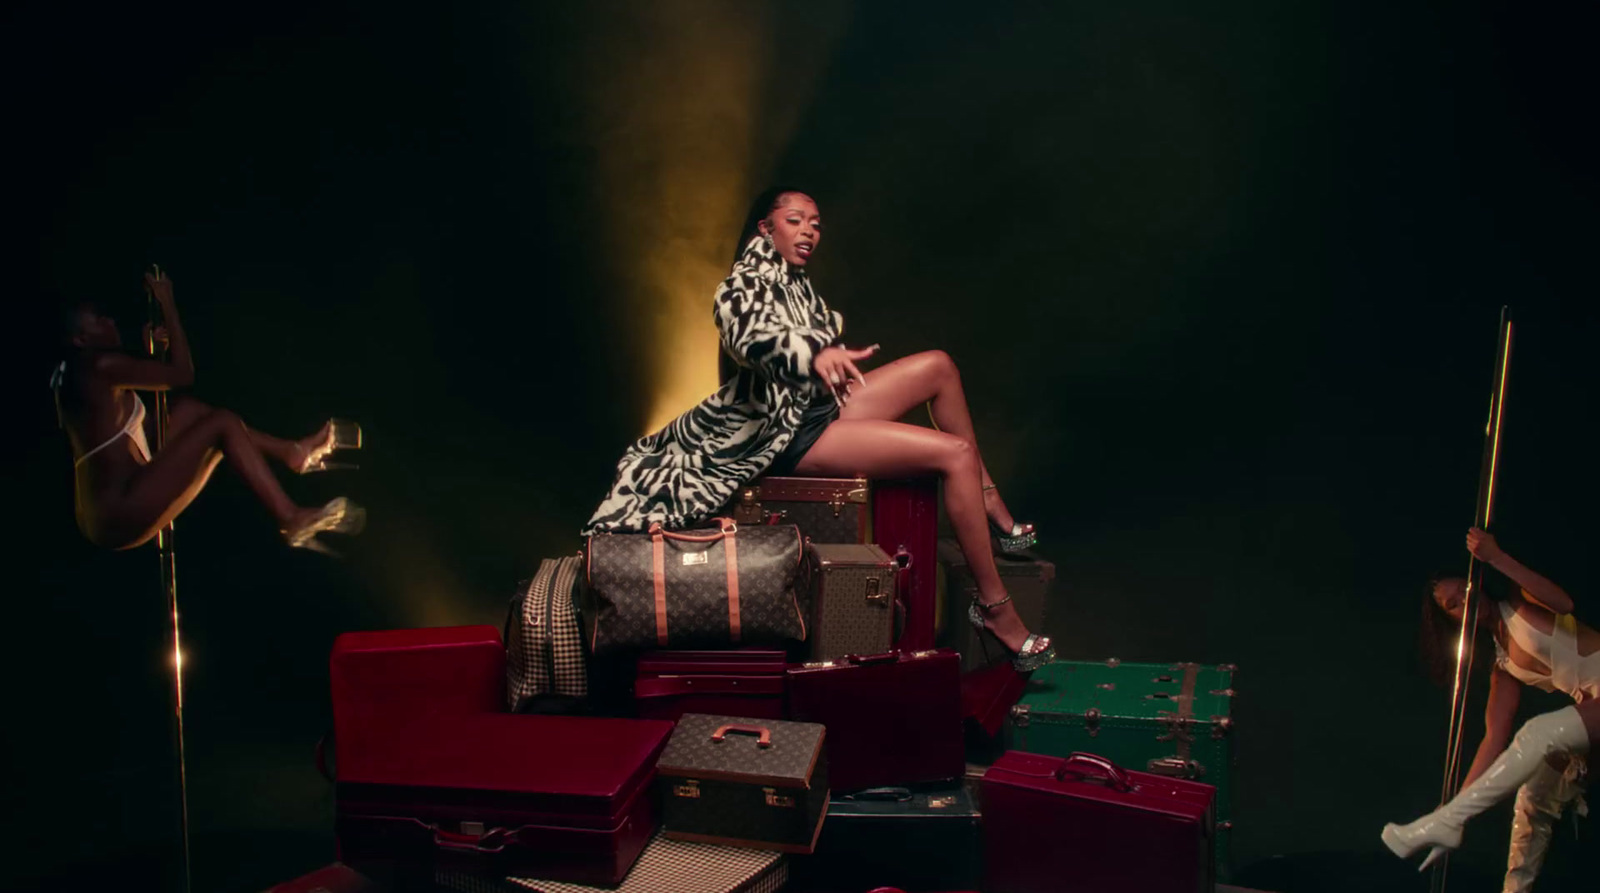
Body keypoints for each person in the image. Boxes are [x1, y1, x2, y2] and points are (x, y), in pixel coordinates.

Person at [584, 188, 1052, 670]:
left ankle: (987, 495)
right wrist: (813, 354)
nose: (809, 230)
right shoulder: (742, 285)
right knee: (955, 453)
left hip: (820, 408)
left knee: (939, 366)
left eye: (815, 222)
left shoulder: (794, 282)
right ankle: (995, 610)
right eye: (794, 220)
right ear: (765, 229)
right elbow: (754, 338)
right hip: (789, 435)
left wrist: (826, 362)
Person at [51, 270, 366, 555]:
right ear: (81, 339)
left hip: (121, 493)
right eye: (98, 320)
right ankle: (290, 517)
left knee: (188, 411)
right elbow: (183, 374)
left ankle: (290, 451)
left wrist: (154, 353)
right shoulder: (98, 365)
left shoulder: (83, 372)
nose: (110, 322)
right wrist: (168, 303)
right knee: (222, 424)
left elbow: (141, 414)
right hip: (117, 511)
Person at [1382, 527, 1597, 888]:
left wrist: (1496, 557)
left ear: (1478, 583)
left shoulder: (1519, 602)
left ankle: (1449, 821)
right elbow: (1493, 740)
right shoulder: (1503, 668)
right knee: (1532, 797)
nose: (1463, 604)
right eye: (1452, 605)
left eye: (1464, 592)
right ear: (1449, 621)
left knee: (1538, 733)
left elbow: (1563, 603)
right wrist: (1458, 804)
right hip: (1594, 706)